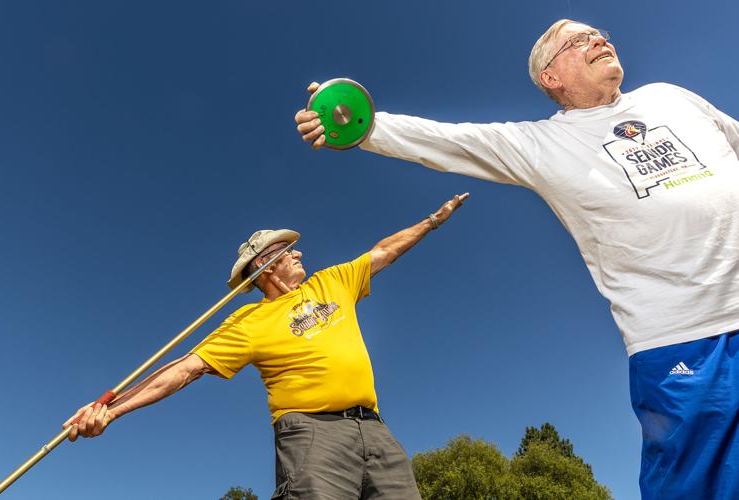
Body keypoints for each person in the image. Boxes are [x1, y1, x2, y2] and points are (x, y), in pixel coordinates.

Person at [295, 18, 739, 500]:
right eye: (579, 41)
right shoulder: (541, 144)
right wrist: (359, 124)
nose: (600, 40)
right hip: (683, 339)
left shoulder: (671, 97)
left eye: (600, 34)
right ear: (551, 77)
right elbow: (450, 141)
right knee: (698, 486)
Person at [63, 193, 468, 500]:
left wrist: (432, 220)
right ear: (267, 266)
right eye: (289, 250)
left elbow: (384, 251)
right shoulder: (248, 321)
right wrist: (111, 411)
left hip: (376, 431)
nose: (300, 251)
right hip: (312, 433)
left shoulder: (332, 282)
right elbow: (185, 369)